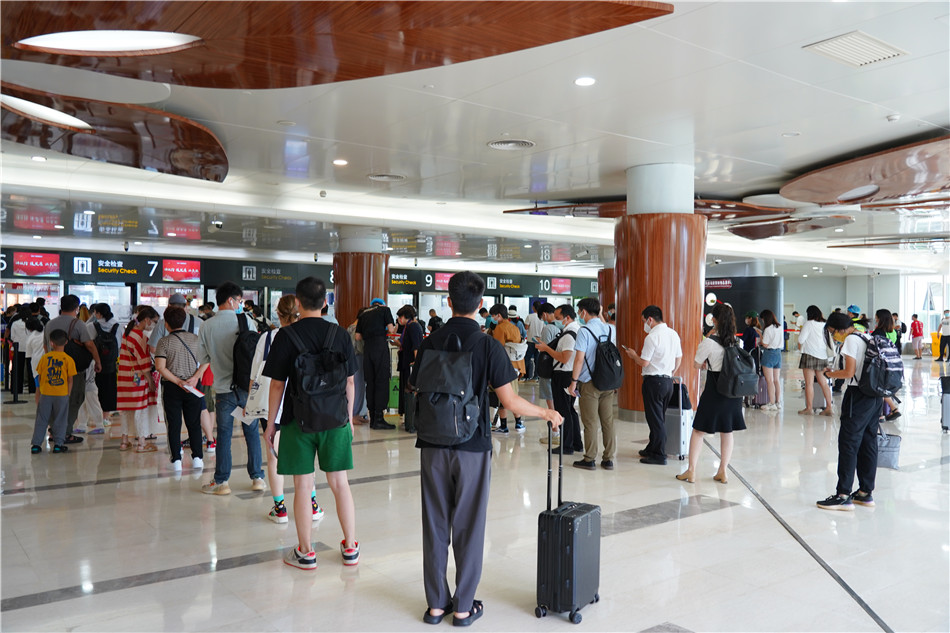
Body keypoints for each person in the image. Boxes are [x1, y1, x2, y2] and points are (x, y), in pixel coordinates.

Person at [411, 271, 562, 626]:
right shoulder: (486, 345)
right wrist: (546, 412)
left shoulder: (430, 341)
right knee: (468, 525)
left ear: (448, 301)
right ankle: (463, 607)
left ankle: (435, 606)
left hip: (432, 445)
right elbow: (508, 401)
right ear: (480, 306)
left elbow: (418, 388)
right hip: (472, 447)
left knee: (434, 524)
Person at [262, 277, 360, 570]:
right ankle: (350, 548)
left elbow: (277, 385)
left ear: (299, 304)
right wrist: (350, 417)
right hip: (336, 420)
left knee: (303, 486)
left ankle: (306, 552)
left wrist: (271, 423)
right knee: (340, 484)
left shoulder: (285, 336)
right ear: (325, 302)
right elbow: (351, 381)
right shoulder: (340, 334)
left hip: (297, 421)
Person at [199, 281, 266, 495]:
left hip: (223, 390)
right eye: (238, 300)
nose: (240, 304)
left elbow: (204, 358)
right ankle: (257, 478)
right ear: (231, 300)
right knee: (252, 432)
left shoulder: (206, 326)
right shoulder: (247, 321)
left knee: (225, 435)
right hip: (246, 389)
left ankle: (222, 482)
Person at [816, 312, 882, 511]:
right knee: (868, 442)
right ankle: (865, 492)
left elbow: (849, 373)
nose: (833, 336)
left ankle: (843, 495)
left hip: (858, 395)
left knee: (849, 443)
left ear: (839, 329)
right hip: (874, 394)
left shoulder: (851, 340)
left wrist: (829, 373)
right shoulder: (865, 335)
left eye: (832, 332)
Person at [676, 303, 746, 484]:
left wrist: (707, 362)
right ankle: (722, 471)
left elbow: (696, 364)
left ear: (714, 320)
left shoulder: (709, 342)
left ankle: (691, 471)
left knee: (699, 429)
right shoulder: (738, 342)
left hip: (715, 390)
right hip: (733, 392)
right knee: (727, 430)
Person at [623, 305, 683, 466]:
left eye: (644, 321)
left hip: (653, 382)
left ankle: (659, 454)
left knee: (655, 419)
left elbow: (644, 362)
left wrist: (633, 355)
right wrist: (669, 373)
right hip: (667, 381)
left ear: (650, 319)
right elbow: (679, 358)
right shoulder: (673, 334)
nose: (644, 325)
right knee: (658, 417)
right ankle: (652, 447)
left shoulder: (652, 337)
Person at [155, 306, 209, 471]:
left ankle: (176, 460)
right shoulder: (195, 339)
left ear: (166, 324)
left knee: (174, 423)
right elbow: (207, 361)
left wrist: (178, 382)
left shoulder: (164, 342)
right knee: (194, 423)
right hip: (193, 387)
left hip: (172, 387)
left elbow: (160, 367)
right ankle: (198, 458)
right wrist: (195, 378)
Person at [44, 294, 102, 444]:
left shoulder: (50, 324)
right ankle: (65, 433)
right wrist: (97, 361)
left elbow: (46, 347)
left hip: (53, 370)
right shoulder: (78, 324)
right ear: (76, 308)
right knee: (74, 399)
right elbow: (89, 345)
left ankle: (53, 430)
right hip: (73, 370)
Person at [569, 297, 617, 471]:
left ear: (583, 312)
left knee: (590, 422)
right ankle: (609, 459)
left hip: (589, 383)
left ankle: (590, 459)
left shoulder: (584, 331)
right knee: (608, 421)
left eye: (580, 311)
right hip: (608, 382)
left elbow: (579, 360)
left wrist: (573, 382)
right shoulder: (610, 329)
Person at [536, 304, 581, 454]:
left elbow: (564, 357)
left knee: (563, 411)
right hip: (571, 375)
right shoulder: (577, 329)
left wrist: (546, 348)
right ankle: (576, 443)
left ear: (567, 317)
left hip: (563, 375)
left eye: (558, 318)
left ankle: (567, 445)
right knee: (570, 410)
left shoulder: (569, 334)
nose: (556, 320)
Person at [116, 306, 161, 453]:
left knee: (126, 410)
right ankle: (141, 443)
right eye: (154, 322)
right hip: (137, 378)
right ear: (146, 320)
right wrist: (150, 381)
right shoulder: (141, 337)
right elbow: (144, 364)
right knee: (140, 410)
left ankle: (124, 441)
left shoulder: (128, 333)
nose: (153, 325)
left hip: (124, 377)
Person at [30, 329, 77, 454]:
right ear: (66, 342)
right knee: (61, 419)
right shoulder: (69, 360)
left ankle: (36, 445)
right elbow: (70, 380)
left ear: (51, 343)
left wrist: (40, 392)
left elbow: (40, 377)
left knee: (42, 419)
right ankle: (58, 444)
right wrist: (68, 393)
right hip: (62, 394)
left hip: (46, 393)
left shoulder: (45, 358)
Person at [356, 297, 396, 430]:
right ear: (382, 304)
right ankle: (379, 418)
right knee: (382, 380)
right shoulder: (385, 310)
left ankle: (372, 417)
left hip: (368, 349)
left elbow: (358, 337)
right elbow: (391, 330)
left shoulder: (363, 314)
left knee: (370, 382)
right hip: (380, 346)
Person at [488, 304, 526, 434]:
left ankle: (503, 426)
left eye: (493, 315)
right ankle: (519, 423)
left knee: (501, 396)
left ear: (498, 315)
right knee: (514, 395)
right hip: (516, 366)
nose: (492, 318)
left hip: (504, 366)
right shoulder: (514, 327)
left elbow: (497, 349)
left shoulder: (500, 328)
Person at [797, 305, 834, 416]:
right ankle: (829, 407)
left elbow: (801, 339)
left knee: (809, 383)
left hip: (809, 355)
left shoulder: (809, 324)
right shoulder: (824, 325)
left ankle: (809, 408)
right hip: (822, 356)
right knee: (823, 382)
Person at [89, 303, 120, 432]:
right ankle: (106, 417)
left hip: (95, 363)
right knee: (109, 389)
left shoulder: (92, 326)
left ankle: (96, 418)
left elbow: (89, 344)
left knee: (95, 390)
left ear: (99, 314)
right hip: (111, 364)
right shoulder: (117, 326)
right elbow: (119, 346)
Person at [396, 305, 424, 428]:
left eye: (399, 317)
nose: (398, 320)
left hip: (410, 364)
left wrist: (416, 363)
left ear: (405, 317)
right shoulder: (409, 326)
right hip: (405, 362)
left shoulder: (413, 326)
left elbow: (416, 346)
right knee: (405, 389)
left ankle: (411, 419)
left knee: (409, 390)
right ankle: (408, 417)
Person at [871, 310, 901, 422]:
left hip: (880, 364)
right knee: (882, 388)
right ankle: (890, 410)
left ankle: (884, 413)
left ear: (879, 319)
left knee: (877, 388)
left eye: (876, 317)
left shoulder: (878, 333)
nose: (875, 319)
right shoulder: (892, 332)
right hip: (892, 363)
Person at [533, 303, 558, 418]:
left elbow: (545, 348)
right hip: (560, 364)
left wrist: (538, 343)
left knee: (550, 396)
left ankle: (555, 427)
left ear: (544, 314)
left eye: (542, 317)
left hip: (548, 366)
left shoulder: (548, 328)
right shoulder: (563, 326)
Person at [347, 308, 369, 425]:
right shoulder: (355, 329)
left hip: (353, 360)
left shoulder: (350, 327)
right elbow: (359, 348)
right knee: (358, 387)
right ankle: (354, 415)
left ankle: (356, 414)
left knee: (357, 387)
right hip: (358, 359)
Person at [758, 309, 783, 410]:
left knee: (769, 381)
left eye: (763, 319)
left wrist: (760, 335)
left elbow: (765, 344)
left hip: (769, 354)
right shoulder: (780, 327)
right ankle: (778, 402)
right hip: (778, 354)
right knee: (776, 380)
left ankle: (771, 403)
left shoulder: (768, 329)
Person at [523, 301, 545, 381]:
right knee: (537, 359)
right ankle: (536, 376)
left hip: (530, 340)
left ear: (533, 307)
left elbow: (526, 327)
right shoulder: (542, 317)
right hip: (539, 341)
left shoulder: (530, 316)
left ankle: (524, 375)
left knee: (527, 358)